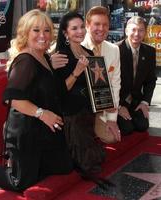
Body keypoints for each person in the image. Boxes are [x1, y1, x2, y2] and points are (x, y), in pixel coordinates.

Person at [0, 9, 73, 192]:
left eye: (47, 30)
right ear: (25, 33)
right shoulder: (25, 60)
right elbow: (13, 99)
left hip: (44, 129)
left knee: (63, 167)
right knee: (20, 182)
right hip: (26, 131)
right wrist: (43, 114)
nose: (43, 35)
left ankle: (24, 162)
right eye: (36, 30)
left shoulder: (43, 56)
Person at [52, 12, 105, 174]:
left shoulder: (88, 51)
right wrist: (77, 71)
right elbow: (61, 91)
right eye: (74, 28)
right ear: (65, 33)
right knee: (88, 165)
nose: (80, 31)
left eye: (82, 27)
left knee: (97, 158)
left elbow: (97, 84)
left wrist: (103, 101)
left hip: (88, 109)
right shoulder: (60, 55)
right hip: (70, 112)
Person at [81, 6, 121, 144]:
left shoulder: (114, 49)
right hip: (80, 108)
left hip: (103, 107)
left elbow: (116, 84)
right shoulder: (76, 46)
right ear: (87, 25)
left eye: (105, 25)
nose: (101, 29)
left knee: (112, 138)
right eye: (97, 24)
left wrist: (111, 119)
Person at [116, 16, 157, 135]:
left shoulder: (149, 52)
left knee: (142, 126)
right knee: (127, 129)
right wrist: (117, 106)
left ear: (145, 32)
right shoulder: (116, 49)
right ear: (126, 31)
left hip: (136, 101)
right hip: (119, 100)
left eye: (141, 30)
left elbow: (151, 80)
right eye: (133, 30)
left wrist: (145, 102)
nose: (136, 34)